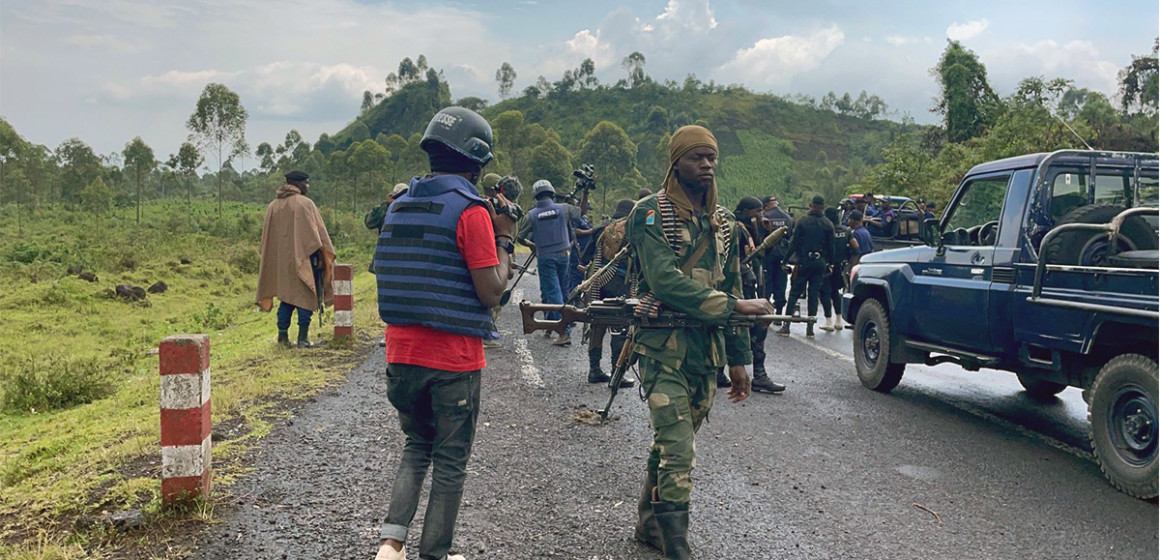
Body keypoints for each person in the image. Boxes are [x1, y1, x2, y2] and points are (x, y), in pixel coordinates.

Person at [372, 107, 515, 560]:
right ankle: (434, 553)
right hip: (453, 362)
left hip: (400, 356)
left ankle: (391, 545)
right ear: (477, 162)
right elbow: (492, 292)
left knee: (417, 446)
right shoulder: (472, 212)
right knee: (450, 464)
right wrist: (505, 239)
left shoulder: (399, 205)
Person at [626, 125, 774, 560]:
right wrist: (733, 306)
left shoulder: (723, 222)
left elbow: (730, 278)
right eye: (696, 157)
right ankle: (677, 547)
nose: (707, 165)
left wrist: (739, 360)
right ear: (677, 163)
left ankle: (649, 526)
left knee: (671, 443)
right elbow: (664, 280)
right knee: (679, 450)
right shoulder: (649, 214)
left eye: (712, 157)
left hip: (705, 353)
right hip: (663, 349)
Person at [255, 170, 335, 348]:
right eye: (306, 182)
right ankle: (303, 338)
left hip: (281, 264)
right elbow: (316, 238)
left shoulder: (273, 206)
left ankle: (282, 337)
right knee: (306, 297)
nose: (308, 186)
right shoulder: (305, 204)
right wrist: (322, 260)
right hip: (304, 261)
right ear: (297, 183)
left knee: (286, 298)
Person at [729, 196, 787, 394]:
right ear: (747, 212)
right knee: (745, 328)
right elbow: (734, 260)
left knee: (755, 327)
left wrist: (763, 230)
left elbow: (761, 254)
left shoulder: (750, 229)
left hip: (752, 286)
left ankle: (759, 375)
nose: (761, 216)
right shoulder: (735, 229)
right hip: (741, 288)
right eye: (757, 212)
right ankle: (755, 375)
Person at [517, 179, 580, 346]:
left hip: (545, 257)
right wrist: (583, 195)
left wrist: (532, 245)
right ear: (552, 193)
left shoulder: (531, 215)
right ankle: (550, 324)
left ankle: (564, 332)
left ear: (536, 196)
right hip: (564, 256)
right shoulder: (564, 208)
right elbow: (579, 213)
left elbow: (520, 238)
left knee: (552, 293)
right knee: (560, 291)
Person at [582, 198, 637, 387]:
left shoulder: (602, 228)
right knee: (619, 326)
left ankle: (594, 370)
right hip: (619, 283)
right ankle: (617, 373)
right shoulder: (632, 229)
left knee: (597, 324)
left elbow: (585, 258)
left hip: (598, 283)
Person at [778, 195, 834, 338]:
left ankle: (786, 326)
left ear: (810, 205)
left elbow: (794, 243)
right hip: (819, 262)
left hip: (804, 261)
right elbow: (831, 247)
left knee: (795, 293)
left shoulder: (803, 221)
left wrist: (785, 260)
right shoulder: (828, 224)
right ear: (823, 207)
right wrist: (830, 264)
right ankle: (810, 329)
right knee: (813, 295)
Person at [819, 207, 857, 332]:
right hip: (839, 265)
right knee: (836, 292)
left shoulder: (826, 230)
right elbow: (856, 246)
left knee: (825, 292)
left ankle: (828, 320)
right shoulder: (846, 231)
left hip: (826, 265)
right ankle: (839, 320)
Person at [760, 195, 794, 318]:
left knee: (767, 280)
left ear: (766, 206)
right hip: (783, 254)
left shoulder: (765, 216)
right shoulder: (788, 217)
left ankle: (765, 310)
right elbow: (790, 236)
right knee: (781, 281)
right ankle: (779, 312)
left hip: (768, 253)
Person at [365, 183, 411, 272]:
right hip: (386, 254)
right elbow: (369, 223)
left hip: (402, 256)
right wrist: (386, 205)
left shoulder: (411, 210)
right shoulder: (385, 210)